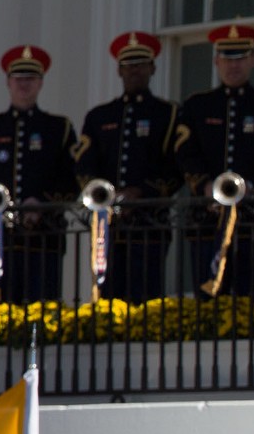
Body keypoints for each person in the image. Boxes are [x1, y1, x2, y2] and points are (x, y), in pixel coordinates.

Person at [173, 24, 254, 301]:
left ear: (253, 59)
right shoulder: (197, 106)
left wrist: (253, 186)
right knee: (208, 296)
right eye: (227, 58)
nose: (233, 65)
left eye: (240, 58)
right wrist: (203, 185)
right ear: (216, 61)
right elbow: (184, 152)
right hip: (208, 218)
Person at [0, 47, 79, 305]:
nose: (23, 84)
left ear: (40, 83)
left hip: (43, 238)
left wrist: (43, 204)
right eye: (18, 78)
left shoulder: (58, 128)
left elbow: (71, 177)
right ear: (8, 82)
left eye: (30, 78)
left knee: (41, 310)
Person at [75, 32, 180, 304]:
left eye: (141, 63)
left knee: (145, 292)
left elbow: (176, 166)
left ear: (152, 68)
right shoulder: (100, 116)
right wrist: (104, 194)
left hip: (149, 221)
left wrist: (143, 192)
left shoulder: (167, 113)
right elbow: (85, 163)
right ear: (120, 69)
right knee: (107, 292)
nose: (135, 70)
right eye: (129, 65)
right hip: (108, 224)